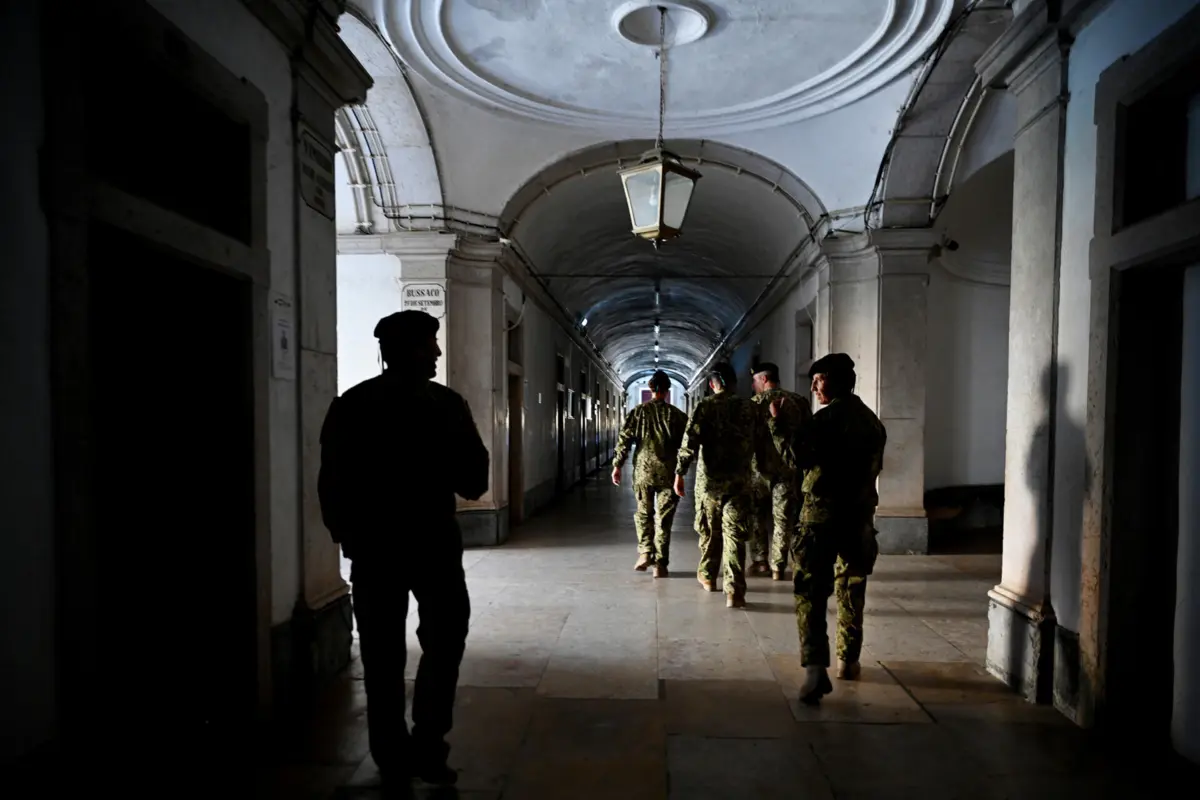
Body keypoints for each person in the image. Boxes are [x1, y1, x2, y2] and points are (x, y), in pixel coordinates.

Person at [317, 310, 489, 787]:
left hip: (373, 551)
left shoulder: (351, 404)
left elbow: (330, 484)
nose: (436, 352)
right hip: (433, 546)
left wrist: (348, 538)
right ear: (401, 350)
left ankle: (390, 752)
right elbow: (475, 482)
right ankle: (430, 744)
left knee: (380, 652)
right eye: (427, 345)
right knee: (445, 642)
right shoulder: (447, 405)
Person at [769, 353, 885, 704]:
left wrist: (778, 425)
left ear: (836, 381)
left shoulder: (825, 420)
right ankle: (848, 660)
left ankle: (816, 670)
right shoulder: (871, 422)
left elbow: (795, 460)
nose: (814, 386)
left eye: (819, 379)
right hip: (859, 516)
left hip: (820, 518)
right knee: (852, 586)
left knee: (811, 591)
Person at [673, 362, 771, 607]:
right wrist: (765, 475)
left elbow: (690, 442)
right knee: (735, 536)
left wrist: (679, 473)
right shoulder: (751, 408)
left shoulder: (705, 406)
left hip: (710, 485)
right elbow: (763, 444)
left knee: (709, 533)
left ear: (711, 384)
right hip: (740, 483)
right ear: (735, 382)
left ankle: (708, 576)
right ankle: (735, 591)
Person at [612, 371, 689, 577]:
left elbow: (624, 439)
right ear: (667, 390)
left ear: (651, 388)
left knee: (644, 513)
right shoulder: (678, 416)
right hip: (669, 473)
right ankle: (661, 564)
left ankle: (646, 551)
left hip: (643, 473)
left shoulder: (638, 412)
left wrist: (617, 465)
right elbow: (687, 446)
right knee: (664, 519)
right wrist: (682, 471)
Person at [749, 362, 812, 581]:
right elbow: (807, 435)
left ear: (764, 379)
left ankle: (760, 561)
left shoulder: (752, 405)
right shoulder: (799, 402)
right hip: (787, 470)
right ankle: (778, 565)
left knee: (757, 516)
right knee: (783, 519)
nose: (753, 385)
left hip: (758, 471)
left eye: (755, 380)